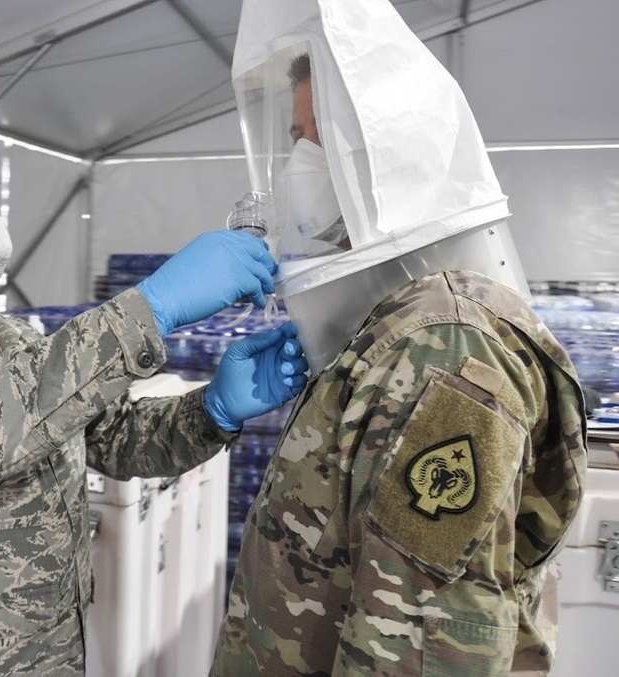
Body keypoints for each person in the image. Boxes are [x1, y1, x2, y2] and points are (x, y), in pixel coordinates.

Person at [0, 131, 309, 676]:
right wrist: (149, 309)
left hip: (48, 651)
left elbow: (115, 441)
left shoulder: (16, 340)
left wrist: (212, 409)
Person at [212, 1, 587, 675]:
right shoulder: (399, 323)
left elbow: (417, 642)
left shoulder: (442, 347)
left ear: (379, 158)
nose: (296, 163)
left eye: (310, 138)